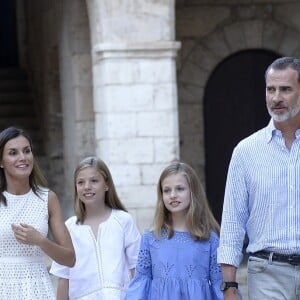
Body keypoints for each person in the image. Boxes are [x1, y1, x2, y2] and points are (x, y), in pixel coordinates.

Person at [217, 56, 300, 300]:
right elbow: (233, 220)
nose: (276, 98)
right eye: (270, 89)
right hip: (266, 272)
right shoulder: (246, 152)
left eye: (285, 89)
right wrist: (229, 285)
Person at [125, 161, 223, 300]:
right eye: (166, 190)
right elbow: (141, 282)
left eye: (180, 189)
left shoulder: (210, 240)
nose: (172, 195)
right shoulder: (150, 238)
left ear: (193, 192)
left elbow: (218, 285)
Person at [0, 126, 75, 299]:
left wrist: (40, 240)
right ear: (1, 161)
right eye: (13, 153)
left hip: (37, 288)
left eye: (27, 151)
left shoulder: (48, 199)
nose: (23, 158)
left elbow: (70, 258)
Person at [50, 156, 141, 300]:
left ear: (106, 185)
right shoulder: (69, 227)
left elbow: (137, 268)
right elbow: (63, 277)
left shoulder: (123, 220)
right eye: (81, 182)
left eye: (94, 181)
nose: (87, 186)